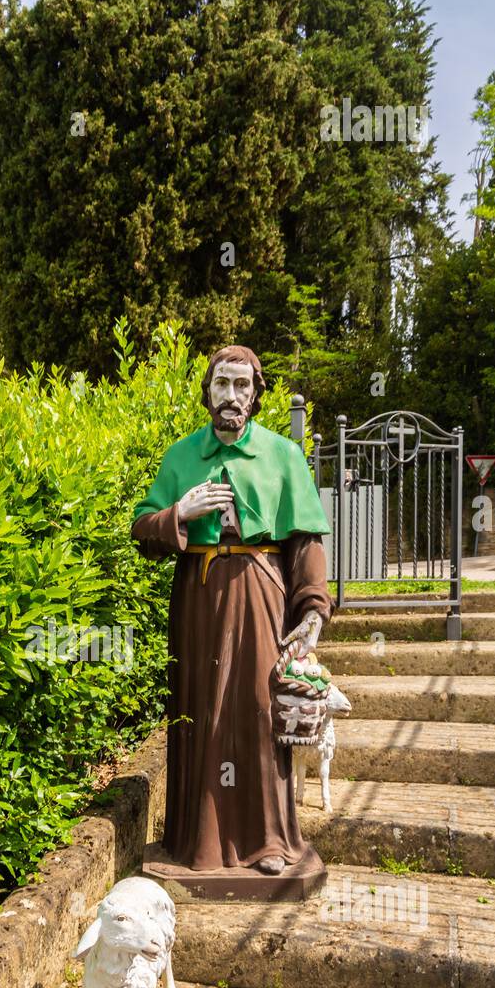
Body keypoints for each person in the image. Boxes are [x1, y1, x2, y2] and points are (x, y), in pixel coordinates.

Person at [131, 345, 332, 879]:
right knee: (201, 708)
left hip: (261, 594)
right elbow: (142, 529)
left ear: (256, 394)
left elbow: (306, 541)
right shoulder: (180, 457)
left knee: (259, 709)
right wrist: (180, 512)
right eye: (222, 384)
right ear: (208, 390)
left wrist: (311, 611)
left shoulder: (283, 455)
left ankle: (267, 840)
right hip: (197, 599)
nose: (231, 396)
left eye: (242, 385)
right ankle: (197, 842)